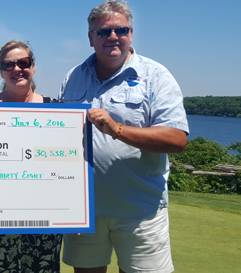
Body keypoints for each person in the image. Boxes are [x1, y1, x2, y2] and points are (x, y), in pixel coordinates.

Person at [59, 1, 189, 273]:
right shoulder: (73, 76)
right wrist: (69, 208)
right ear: (91, 38)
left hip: (140, 212)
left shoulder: (156, 76)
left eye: (121, 29)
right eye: (104, 32)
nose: (114, 37)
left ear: (131, 33)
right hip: (86, 214)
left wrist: (117, 129)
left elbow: (177, 139)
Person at [0, 40, 63, 273]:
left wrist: (77, 211)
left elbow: (67, 166)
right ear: (0, 71)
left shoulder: (59, 110)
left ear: (33, 66)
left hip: (41, 229)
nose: (16, 69)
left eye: (23, 62)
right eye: (8, 65)